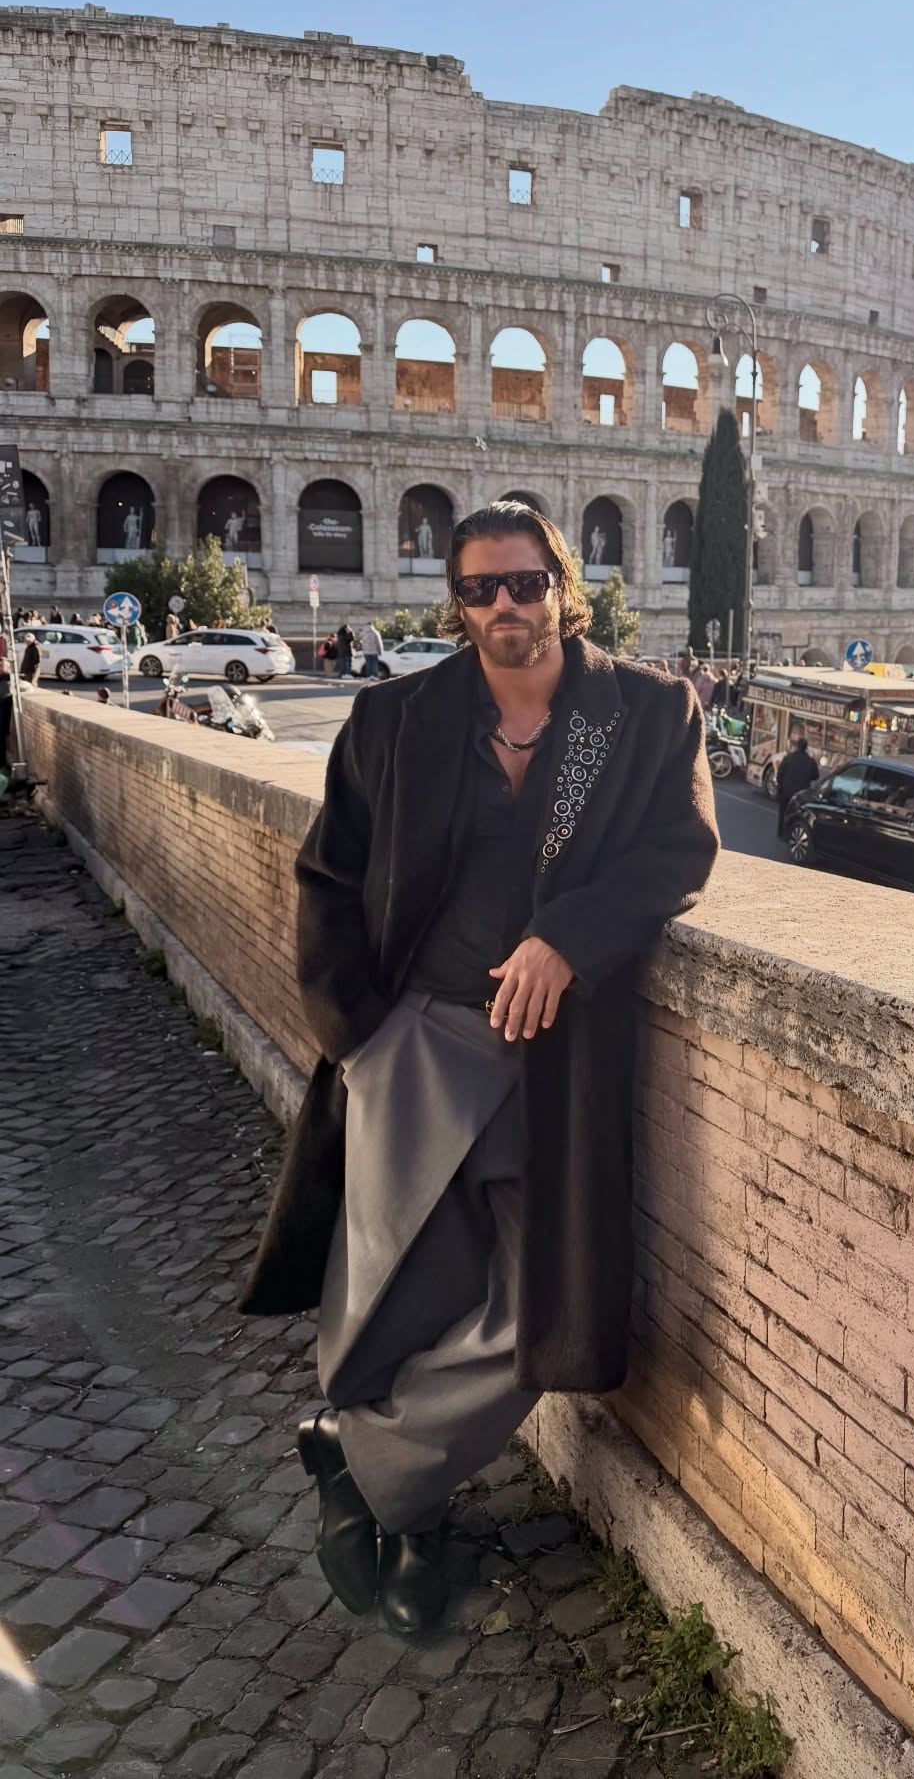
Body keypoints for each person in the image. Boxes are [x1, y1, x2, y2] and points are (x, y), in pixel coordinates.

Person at [238, 500, 719, 1636]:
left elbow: (681, 849)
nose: (505, 604)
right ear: (455, 603)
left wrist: (570, 937)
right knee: (395, 1292)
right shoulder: (397, 715)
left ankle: (362, 1457)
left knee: (534, 1315)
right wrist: (355, 1034)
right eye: (479, 588)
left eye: (525, 582)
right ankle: (415, 1518)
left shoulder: (644, 711)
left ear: (563, 584)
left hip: (555, 1061)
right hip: (413, 1039)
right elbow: (328, 877)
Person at [774, 733, 820, 837]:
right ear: (806, 748)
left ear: (797, 746)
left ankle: (781, 833)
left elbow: (780, 773)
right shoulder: (810, 761)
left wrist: (780, 786)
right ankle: (792, 834)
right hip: (800, 794)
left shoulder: (788, 758)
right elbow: (816, 775)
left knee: (783, 813)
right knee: (797, 815)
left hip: (786, 791)